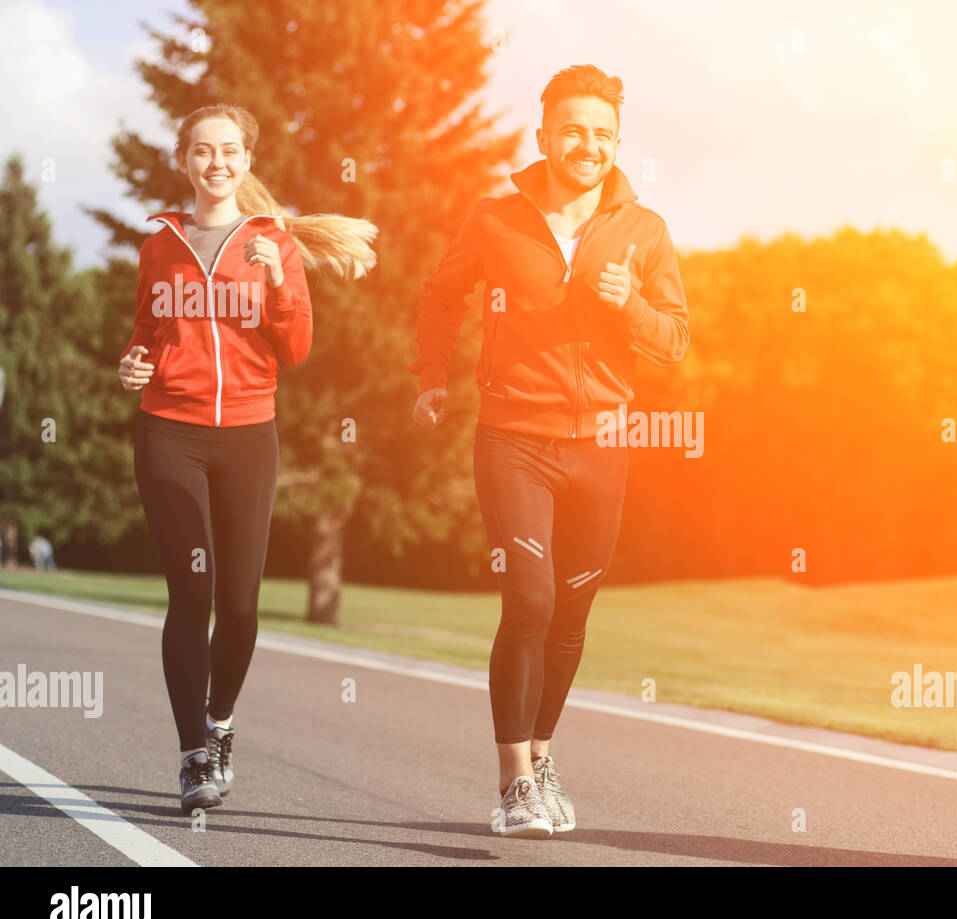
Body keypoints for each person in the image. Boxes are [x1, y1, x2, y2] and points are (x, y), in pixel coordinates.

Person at [411, 65, 690, 837]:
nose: (587, 145)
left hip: (603, 443)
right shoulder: (496, 219)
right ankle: (513, 785)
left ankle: (540, 754)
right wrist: (433, 376)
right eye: (573, 129)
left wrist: (626, 302)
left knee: (571, 614)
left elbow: (674, 341)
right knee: (529, 599)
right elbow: (441, 294)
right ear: (543, 137)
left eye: (603, 133)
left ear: (618, 143)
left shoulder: (645, 231)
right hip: (513, 438)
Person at [118, 104, 376, 814]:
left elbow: (295, 349)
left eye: (229, 151)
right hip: (169, 431)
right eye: (202, 152)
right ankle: (194, 757)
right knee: (191, 596)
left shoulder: (271, 243)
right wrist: (133, 365)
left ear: (246, 162)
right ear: (184, 161)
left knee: (238, 604)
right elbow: (146, 329)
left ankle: (220, 721)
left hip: (248, 438)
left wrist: (280, 281)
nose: (216, 163)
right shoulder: (161, 245)